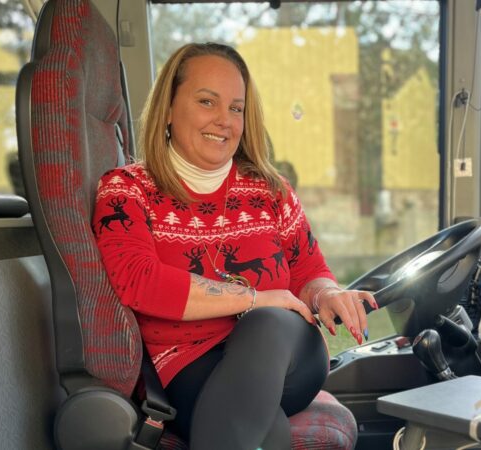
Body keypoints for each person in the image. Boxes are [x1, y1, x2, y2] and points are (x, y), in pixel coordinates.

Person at [93, 42, 377, 449]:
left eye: (236, 108)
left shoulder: (270, 190)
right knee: (268, 429)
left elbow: (310, 273)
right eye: (207, 101)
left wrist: (328, 293)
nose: (224, 121)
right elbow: (138, 281)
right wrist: (254, 297)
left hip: (289, 359)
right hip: (186, 368)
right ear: (168, 109)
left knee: (270, 323)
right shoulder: (125, 189)